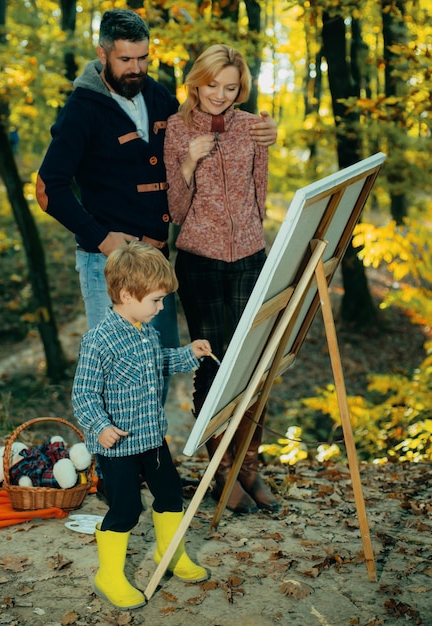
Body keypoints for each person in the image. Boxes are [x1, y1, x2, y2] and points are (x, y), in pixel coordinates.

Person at [35, 8, 277, 340]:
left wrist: (262, 131)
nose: (136, 69)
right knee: (124, 377)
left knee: (158, 372)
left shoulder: (157, 93)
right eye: (125, 59)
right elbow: (49, 190)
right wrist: (102, 239)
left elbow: (201, 124)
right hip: (109, 263)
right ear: (102, 54)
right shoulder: (82, 109)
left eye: (143, 58)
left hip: (158, 258)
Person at [164, 44, 280, 515]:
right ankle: (220, 471)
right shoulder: (175, 129)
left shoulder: (252, 126)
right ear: (197, 82)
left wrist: (268, 140)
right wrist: (189, 163)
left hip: (251, 257)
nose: (221, 95)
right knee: (214, 365)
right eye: (213, 85)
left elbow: (260, 194)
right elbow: (174, 210)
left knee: (255, 362)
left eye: (231, 88)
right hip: (200, 262)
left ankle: (248, 469)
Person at [71, 242, 212, 610]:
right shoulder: (98, 341)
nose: (161, 307)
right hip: (117, 448)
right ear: (126, 294)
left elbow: (159, 362)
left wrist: (187, 354)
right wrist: (100, 426)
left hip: (152, 438)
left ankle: (170, 553)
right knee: (127, 509)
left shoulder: (145, 330)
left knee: (170, 495)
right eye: (156, 300)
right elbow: (83, 394)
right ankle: (109, 575)